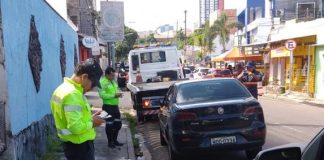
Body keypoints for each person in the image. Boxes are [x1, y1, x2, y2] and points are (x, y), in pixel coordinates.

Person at [50, 58, 105, 160]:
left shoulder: (61, 89)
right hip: (80, 147)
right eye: (92, 85)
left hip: (71, 146)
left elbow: (71, 119)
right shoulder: (73, 94)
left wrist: (90, 118)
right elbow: (75, 127)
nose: (91, 88)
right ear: (84, 77)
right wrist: (93, 123)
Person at [99, 67, 124, 148]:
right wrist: (114, 95)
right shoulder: (102, 82)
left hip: (115, 106)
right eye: (112, 75)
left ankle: (115, 140)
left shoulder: (112, 81)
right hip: (107, 107)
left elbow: (116, 89)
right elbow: (102, 95)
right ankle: (110, 142)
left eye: (114, 75)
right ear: (106, 74)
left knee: (118, 124)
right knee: (109, 125)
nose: (113, 77)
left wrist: (119, 93)